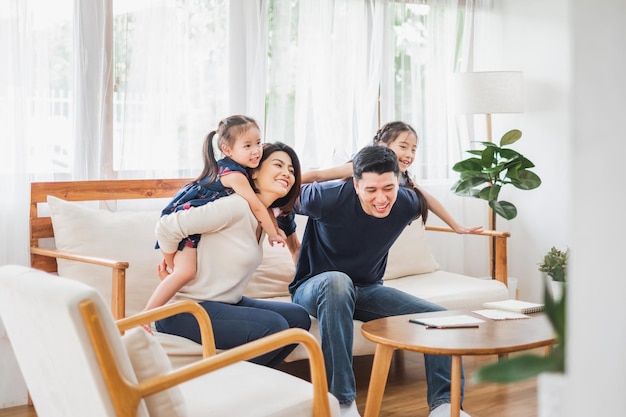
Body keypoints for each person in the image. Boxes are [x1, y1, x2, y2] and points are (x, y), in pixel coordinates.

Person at [278, 145, 473, 417]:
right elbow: (282, 197)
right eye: (371, 190)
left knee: (439, 319)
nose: (381, 199)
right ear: (356, 185)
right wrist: (292, 243)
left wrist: (457, 226)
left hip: (365, 291)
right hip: (315, 288)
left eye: (388, 188)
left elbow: (423, 199)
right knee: (337, 282)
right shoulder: (327, 197)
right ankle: (342, 404)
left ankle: (444, 407)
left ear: (398, 182)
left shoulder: (407, 202)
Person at [148, 142, 310, 368]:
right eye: (278, 165)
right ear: (253, 173)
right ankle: (227, 385)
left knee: (298, 319)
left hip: (226, 303)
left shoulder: (264, 219)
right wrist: (171, 261)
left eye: (291, 170)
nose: (287, 173)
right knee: (274, 326)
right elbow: (167, 226)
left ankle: (245, 380)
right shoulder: (236, 206)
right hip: (186, 309)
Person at [155, 115, 287, 288]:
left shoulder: (241, 169)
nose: (256, 150)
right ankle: (153, 309)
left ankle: (173, 281)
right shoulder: (235, 176)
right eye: (247, 146)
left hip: (196, 220)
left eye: (258, 142)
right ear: (227, 150)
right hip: (186, 212)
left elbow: (264, 205)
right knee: (184, 271)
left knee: (185, 272)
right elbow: (256, 205)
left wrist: (275, 227)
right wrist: (273, 233)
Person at [302, 120, 483, 234]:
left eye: (413, 149)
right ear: (382, 145)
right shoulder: (362, 167)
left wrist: (456, 226)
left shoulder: (402, 176)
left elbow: (428, 199)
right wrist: (290, 185)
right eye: (403, 147)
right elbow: (319, 175)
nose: (409, 154)